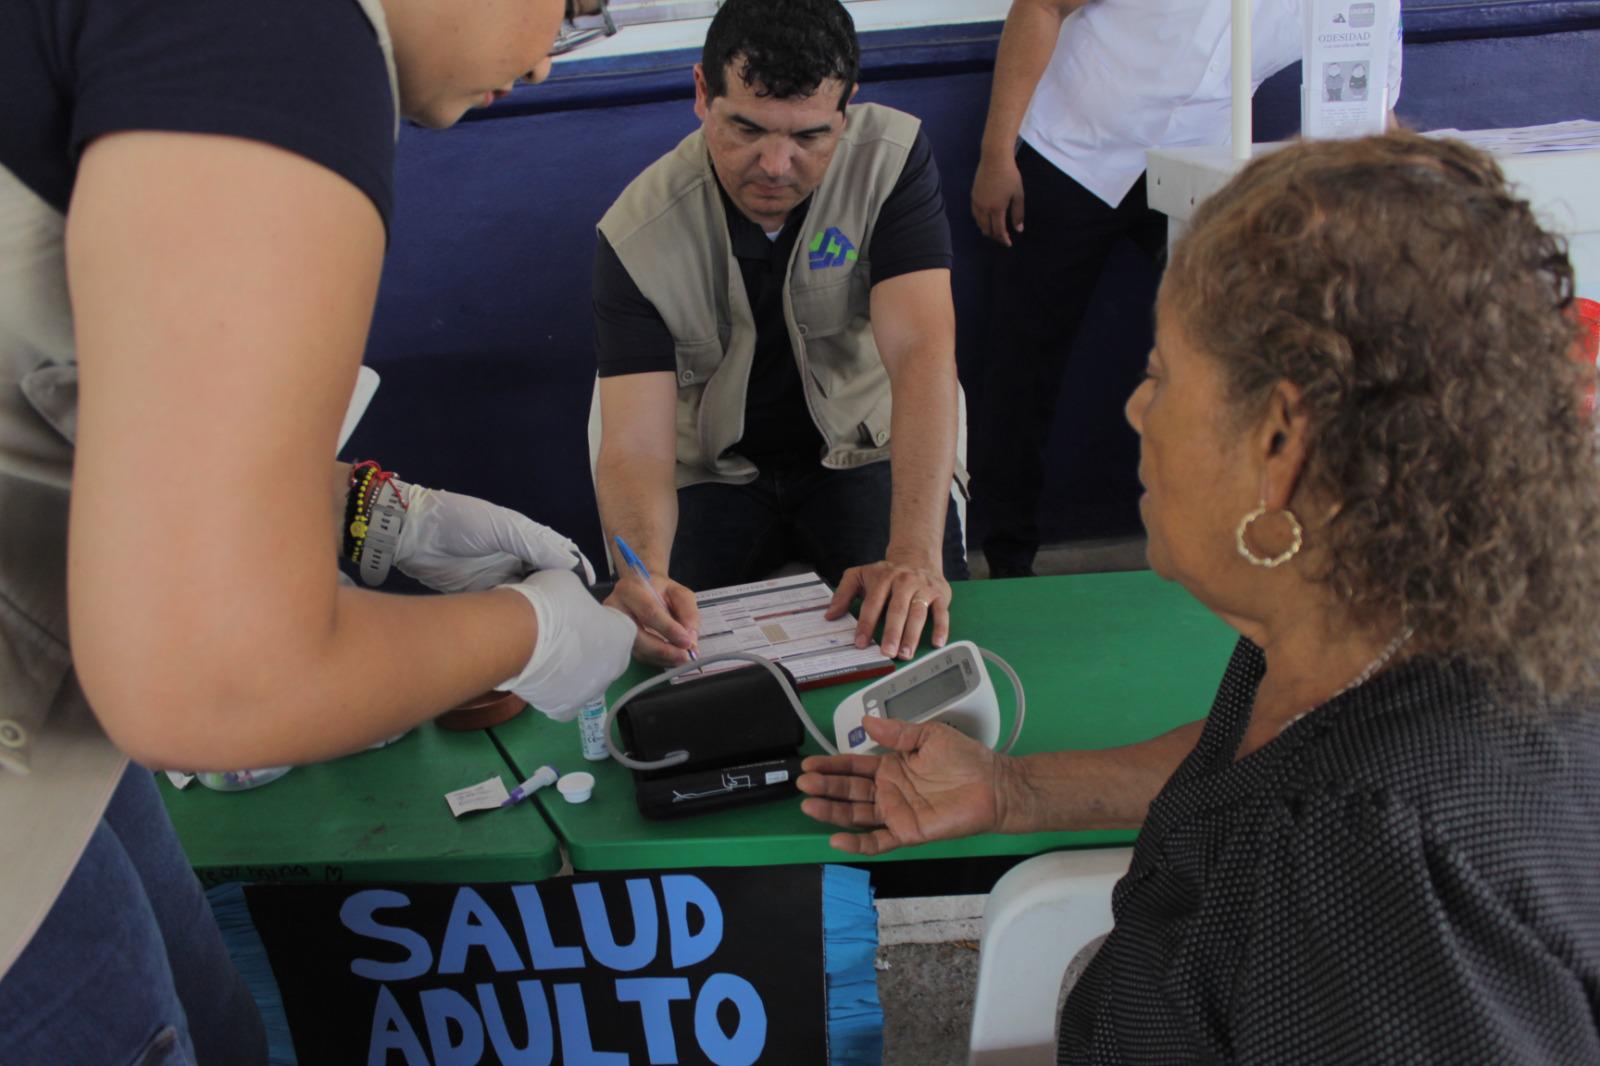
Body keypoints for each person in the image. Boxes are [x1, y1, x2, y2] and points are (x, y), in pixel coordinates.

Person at [801, 131, 1600, 1061]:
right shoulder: (1379, 630)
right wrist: (1010, 788)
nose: (1138, 410)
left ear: (1278, 447)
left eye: (1161, 377)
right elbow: (1262, 769)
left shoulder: (1371, 874)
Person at [0, 0, 635, 1061]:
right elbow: (214, 684)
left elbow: (145, 417)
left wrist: (383, 518)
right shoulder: (284, 38)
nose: (548, 61)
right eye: (573, 7)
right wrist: (532, 630)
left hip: (54, 692)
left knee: (217, 1023)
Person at [592, 0, 967, 670]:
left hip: (858, 455)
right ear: (702, 94)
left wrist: (914, 555)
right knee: (664, 656)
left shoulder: (893, 163)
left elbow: (921, 352)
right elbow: (635, 440)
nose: (775, 164)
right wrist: (644, 575)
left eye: (809, 137)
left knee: (915, 639)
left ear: (846, 108)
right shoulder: (636, 232)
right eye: (747, 128)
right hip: (715, 475)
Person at [969, 0, 1399, 578]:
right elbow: (1041, 5)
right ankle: (1006, 559)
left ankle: (1243, 545)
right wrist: (997, 153)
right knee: (1024, 364)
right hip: (1076, 150)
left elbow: (1366, 102)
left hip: (1199, 165)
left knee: (1238, 354)